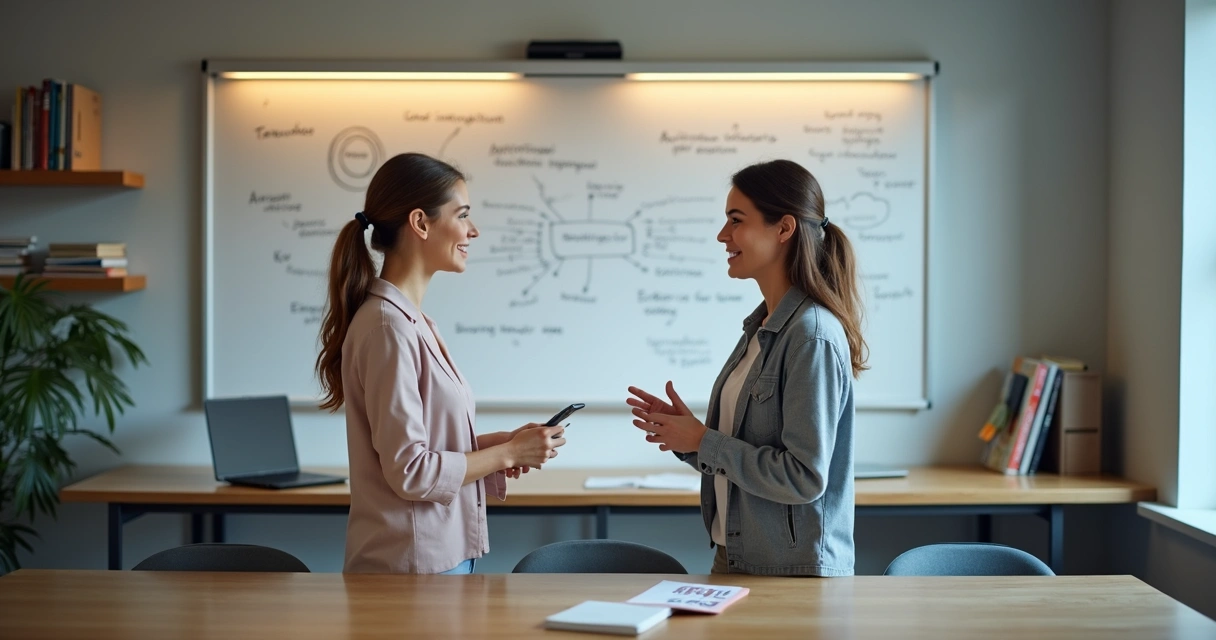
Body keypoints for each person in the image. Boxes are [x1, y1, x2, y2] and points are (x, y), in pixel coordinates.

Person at [316, 152, 565, 574]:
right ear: (421, 223)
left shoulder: (410, 321)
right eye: (462, 214)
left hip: (436, 557)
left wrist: (504, 443)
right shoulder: (387, 327)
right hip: (411, 567)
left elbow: (426, 447)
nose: (473, 230)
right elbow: (411, 471)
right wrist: (507, 453)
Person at [627, 159, 867, 576]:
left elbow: (804, 478)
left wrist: (705, 441)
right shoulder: (762, 328)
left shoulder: (810, 336)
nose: (722, 235)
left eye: (735, 221)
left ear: (784, 229)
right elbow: (743, 451)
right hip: (739, 556)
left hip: (794, 574)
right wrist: (687, 437)